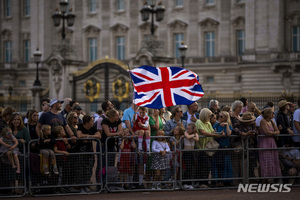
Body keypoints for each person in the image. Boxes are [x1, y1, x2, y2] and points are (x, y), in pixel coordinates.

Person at [258, 107, 281, 183]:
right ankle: (265, 179)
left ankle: (273, 178)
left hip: (272, 142)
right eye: (272, 113)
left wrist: (273, 133)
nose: (273, 114)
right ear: (268, 114)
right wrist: (274, 133)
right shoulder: (263, 121)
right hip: (265, 143)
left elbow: (278, 131)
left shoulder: (272, 121)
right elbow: (267, 132)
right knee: (265, 161)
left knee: (273, 160)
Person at [212, 111, 233, 187]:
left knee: (225, 165)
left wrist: (227, 125)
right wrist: (218, 134)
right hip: (218, 148)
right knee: (218, 165)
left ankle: (224, 181)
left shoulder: (229, 125)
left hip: (226, 147)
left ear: (225, 118)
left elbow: (229, 133)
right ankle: (217, 181)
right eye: (219, 116)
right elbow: (213, 134)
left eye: (221, 116)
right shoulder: (216, 125)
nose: (219, 118)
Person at [238, 112, 258, 179]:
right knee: (243, 164)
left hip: (252, 146)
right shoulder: (239, 125)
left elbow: (256, 132)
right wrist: (245, 134)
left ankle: (252, 178)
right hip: (243, 147)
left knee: (252, 163)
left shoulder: (253, 125)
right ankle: (244, 179)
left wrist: (253, 133)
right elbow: (237, 131)